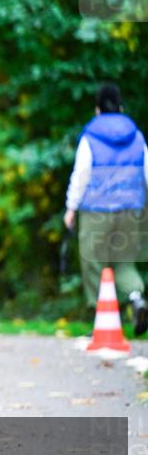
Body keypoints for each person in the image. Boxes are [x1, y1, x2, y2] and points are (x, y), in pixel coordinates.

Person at [64, 83, 148, 336]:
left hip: (96, 211)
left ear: (97, 110)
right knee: (124, 263)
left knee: (94, 262)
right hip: (132, 209)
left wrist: (70, 208)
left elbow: (81, 175)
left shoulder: (90, 138)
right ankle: (136, 298)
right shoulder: (138, 137)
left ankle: (101, 315)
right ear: (121, 108)